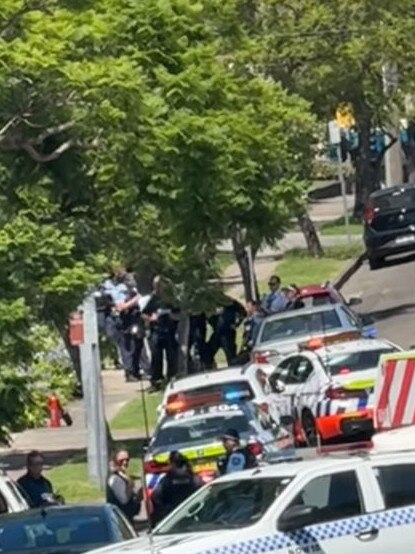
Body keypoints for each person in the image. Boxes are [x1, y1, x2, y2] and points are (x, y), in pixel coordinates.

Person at [142, 276, 180, 392]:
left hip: (170, 331)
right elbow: (144, 314)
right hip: (157, 331)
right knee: (156, 356)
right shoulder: (153, 299)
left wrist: (171, 315)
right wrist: (151, 318)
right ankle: (156, 381)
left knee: (171, 356)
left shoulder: (172, 300)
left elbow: (179, 314)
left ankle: (171, 379)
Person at [151, 451, 202, 527]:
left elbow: (156, 497)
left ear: (172, 463)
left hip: (172, 516)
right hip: (192, 514)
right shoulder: (193, 478)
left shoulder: (167, 480)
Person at [207, 298, 246, 367]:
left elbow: (243, 312)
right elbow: (208, 316)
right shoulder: (212, 302)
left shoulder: (230, 301)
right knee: (207, 354)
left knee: (231, 357)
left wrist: (237, 324)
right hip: (217, 333)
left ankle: (233, 371)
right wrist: (213, 323)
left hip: (228, 334)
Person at [106, 450, 141, 523]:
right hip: (119, 520)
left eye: (127, 460)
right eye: (121, 460)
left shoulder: (123, 476)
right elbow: (124, 500)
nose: (125, 463)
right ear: (115, 462)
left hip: (127, 518)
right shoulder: (115, 479)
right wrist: (130, 485)